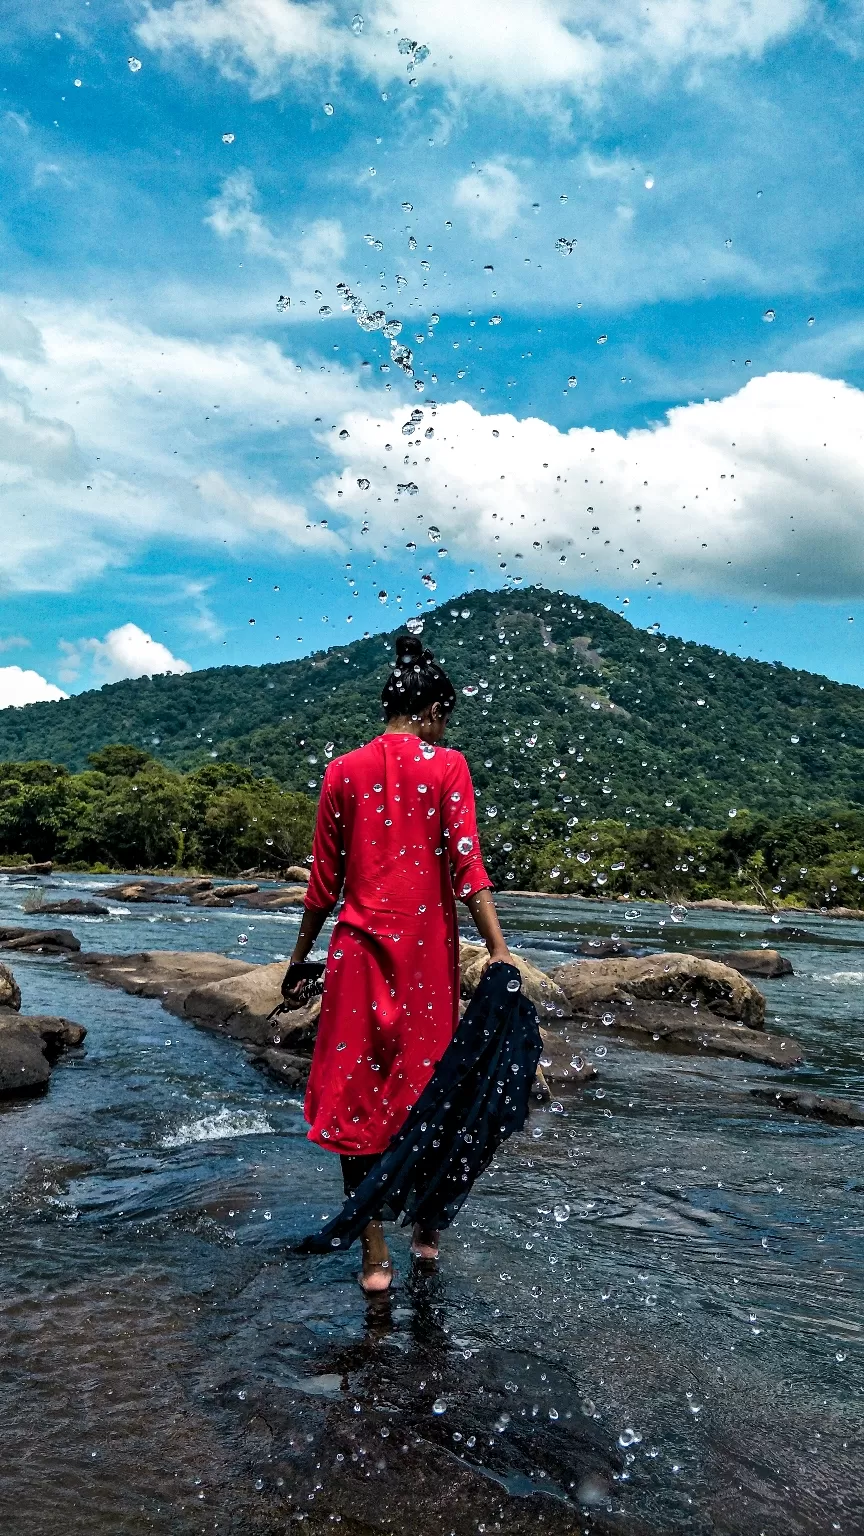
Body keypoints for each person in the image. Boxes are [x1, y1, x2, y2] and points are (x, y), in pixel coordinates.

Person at [284, 634, 512, 1294]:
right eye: (448, 717)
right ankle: (428, 1236)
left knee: (358, 1104)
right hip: (424, 965)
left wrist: (297, 961)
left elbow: (322, 887)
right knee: (431, 1098)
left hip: (356, 959)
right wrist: (497, 951)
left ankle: (375, 1258)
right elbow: (469, 867)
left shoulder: (341, 772)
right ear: (433, 710)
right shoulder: (448, 768)